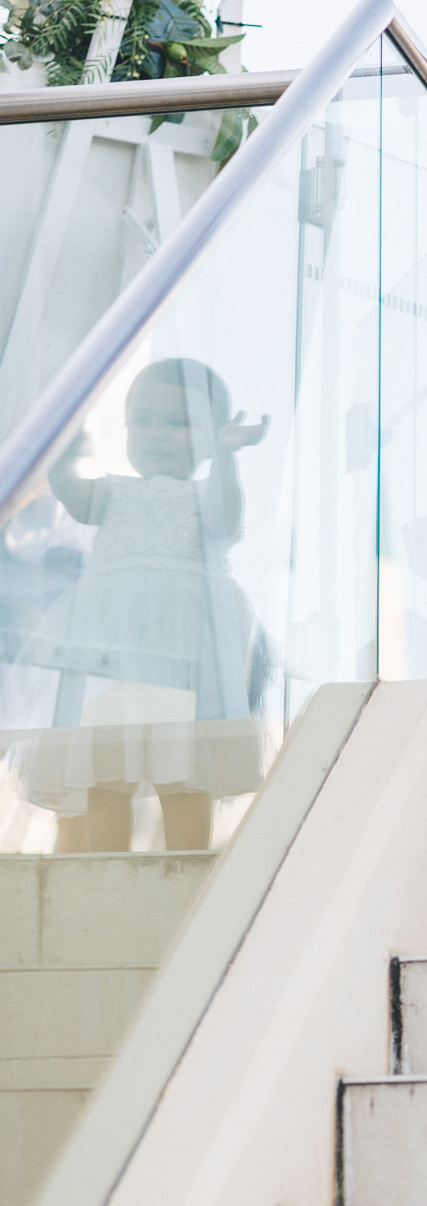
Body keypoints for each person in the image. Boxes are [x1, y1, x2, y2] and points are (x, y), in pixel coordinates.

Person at [7, 357, 270, 851]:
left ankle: (182, 868)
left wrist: (228, 458)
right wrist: (61, 439)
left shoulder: (202, 494)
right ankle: (106, 865)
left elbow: (225, 522)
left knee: (185, 768)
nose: (156, 434)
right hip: (113, 646)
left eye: (177, 422)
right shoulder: (113, 490)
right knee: (105, 764)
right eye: (142, 420)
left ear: (212, 434)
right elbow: (75, 497)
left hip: (185, 646)